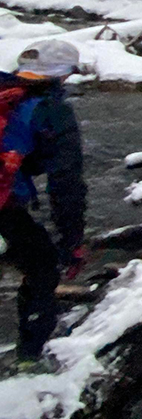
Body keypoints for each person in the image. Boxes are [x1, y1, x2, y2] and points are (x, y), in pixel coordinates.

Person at [1, 40, 86, 368]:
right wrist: (72, 242)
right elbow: (66, 184)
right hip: (4, 205)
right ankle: (29, 363)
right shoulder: (51, 110)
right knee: (42, 269)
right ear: (63, 75)